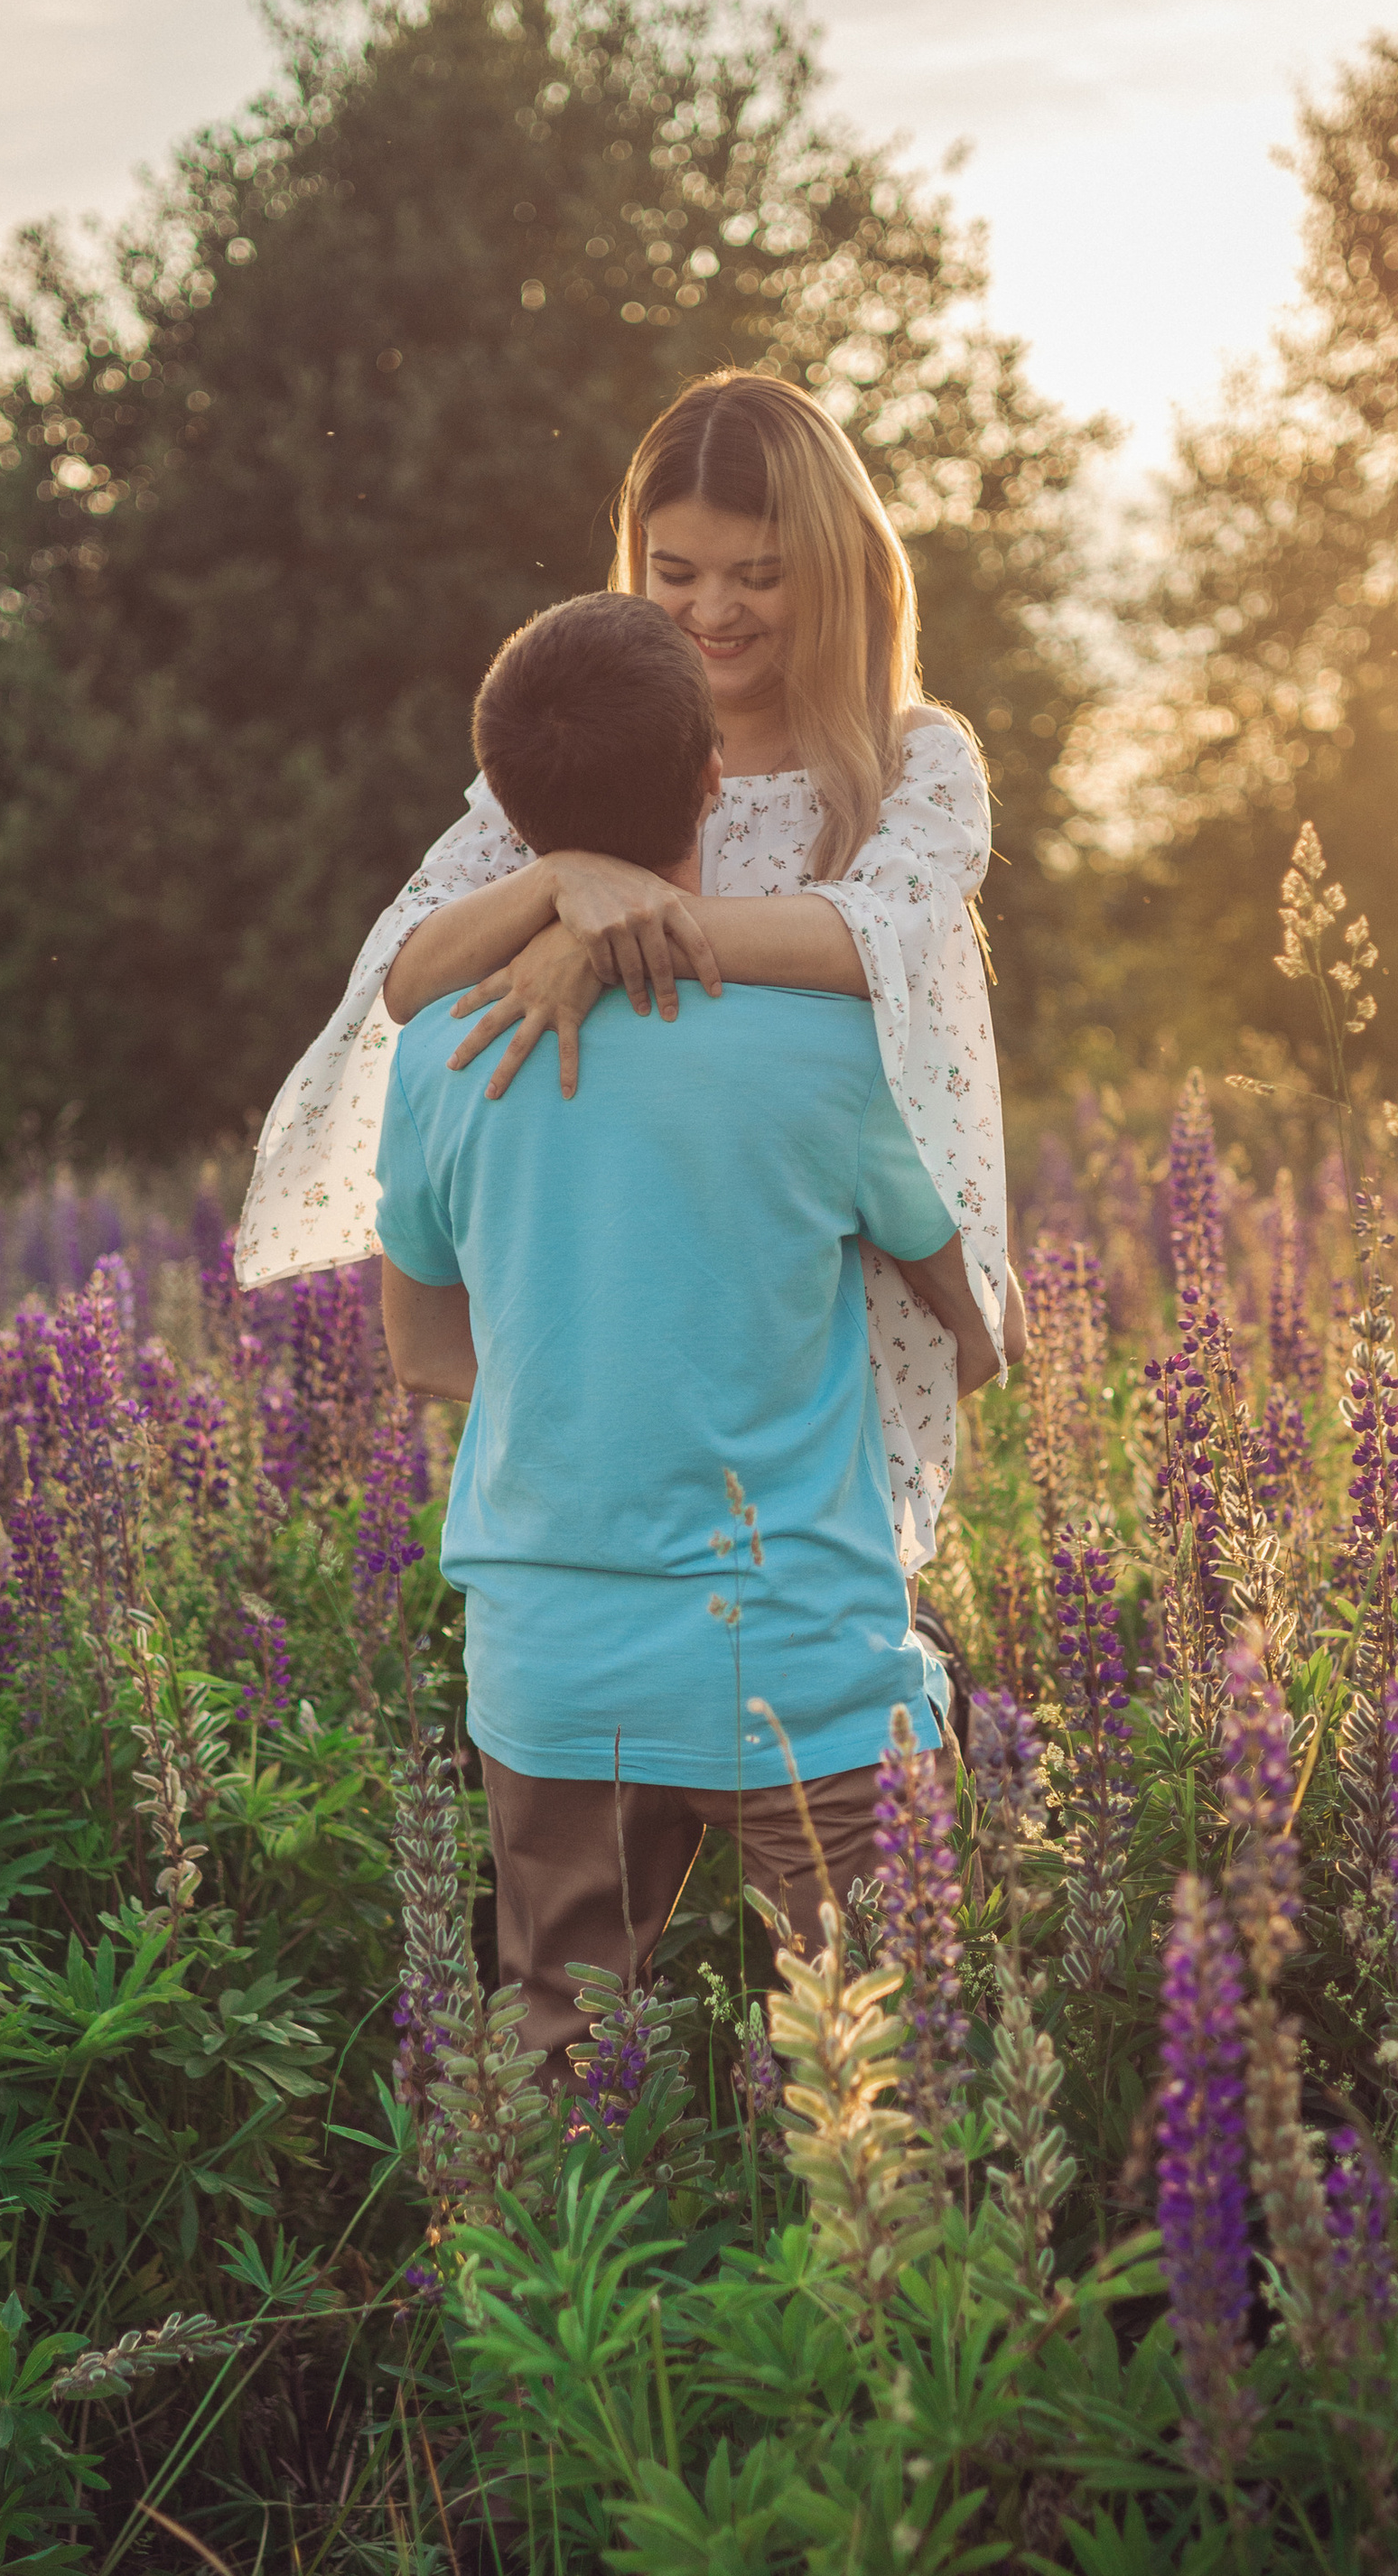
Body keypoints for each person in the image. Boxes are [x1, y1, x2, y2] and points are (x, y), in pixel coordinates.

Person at [236, 370, 1015, 1570]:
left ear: (840, 566)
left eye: (760, 575)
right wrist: (551, 885)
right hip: (631, 1249)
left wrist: (605, 926)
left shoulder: (908, 756)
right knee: (639, 1569)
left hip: (826, 1254)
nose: (715, 610)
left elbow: (877, 937)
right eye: (677, 572)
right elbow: (400, 975)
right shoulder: (592, 732)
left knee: (813, 1593)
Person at [375, 590, 999, 2075]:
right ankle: (883, 2312)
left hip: (552, 1656)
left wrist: (595, 1369)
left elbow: (423, 1352)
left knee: (554, 2052)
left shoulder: (440, 1055)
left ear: (515, 823)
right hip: (799, 1650)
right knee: (893, 2071)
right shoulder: (830, 1048)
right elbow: (972, 1328)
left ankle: (521, 2291)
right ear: (717, 784)